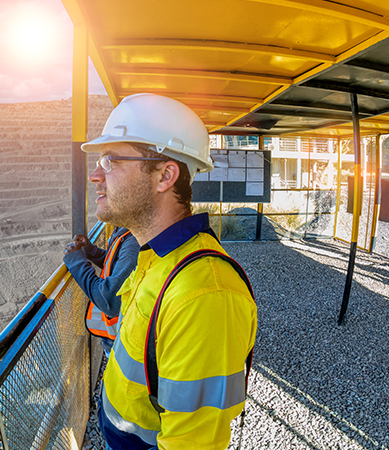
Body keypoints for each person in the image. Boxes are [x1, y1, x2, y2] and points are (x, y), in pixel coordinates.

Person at [80, 93, 258, 449]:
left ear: (165, 175)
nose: (95, 175)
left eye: (111, 160)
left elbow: (193, 443)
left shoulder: (205, 294)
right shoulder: (156, 256)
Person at [63, 226, 139, 356]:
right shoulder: (125, 231)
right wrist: (91, 251)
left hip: (122, 346)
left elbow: (109, 301)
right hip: (118, 341)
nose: (98, 204)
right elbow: (118, 266)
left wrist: (76, 262)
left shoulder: (134, 241)